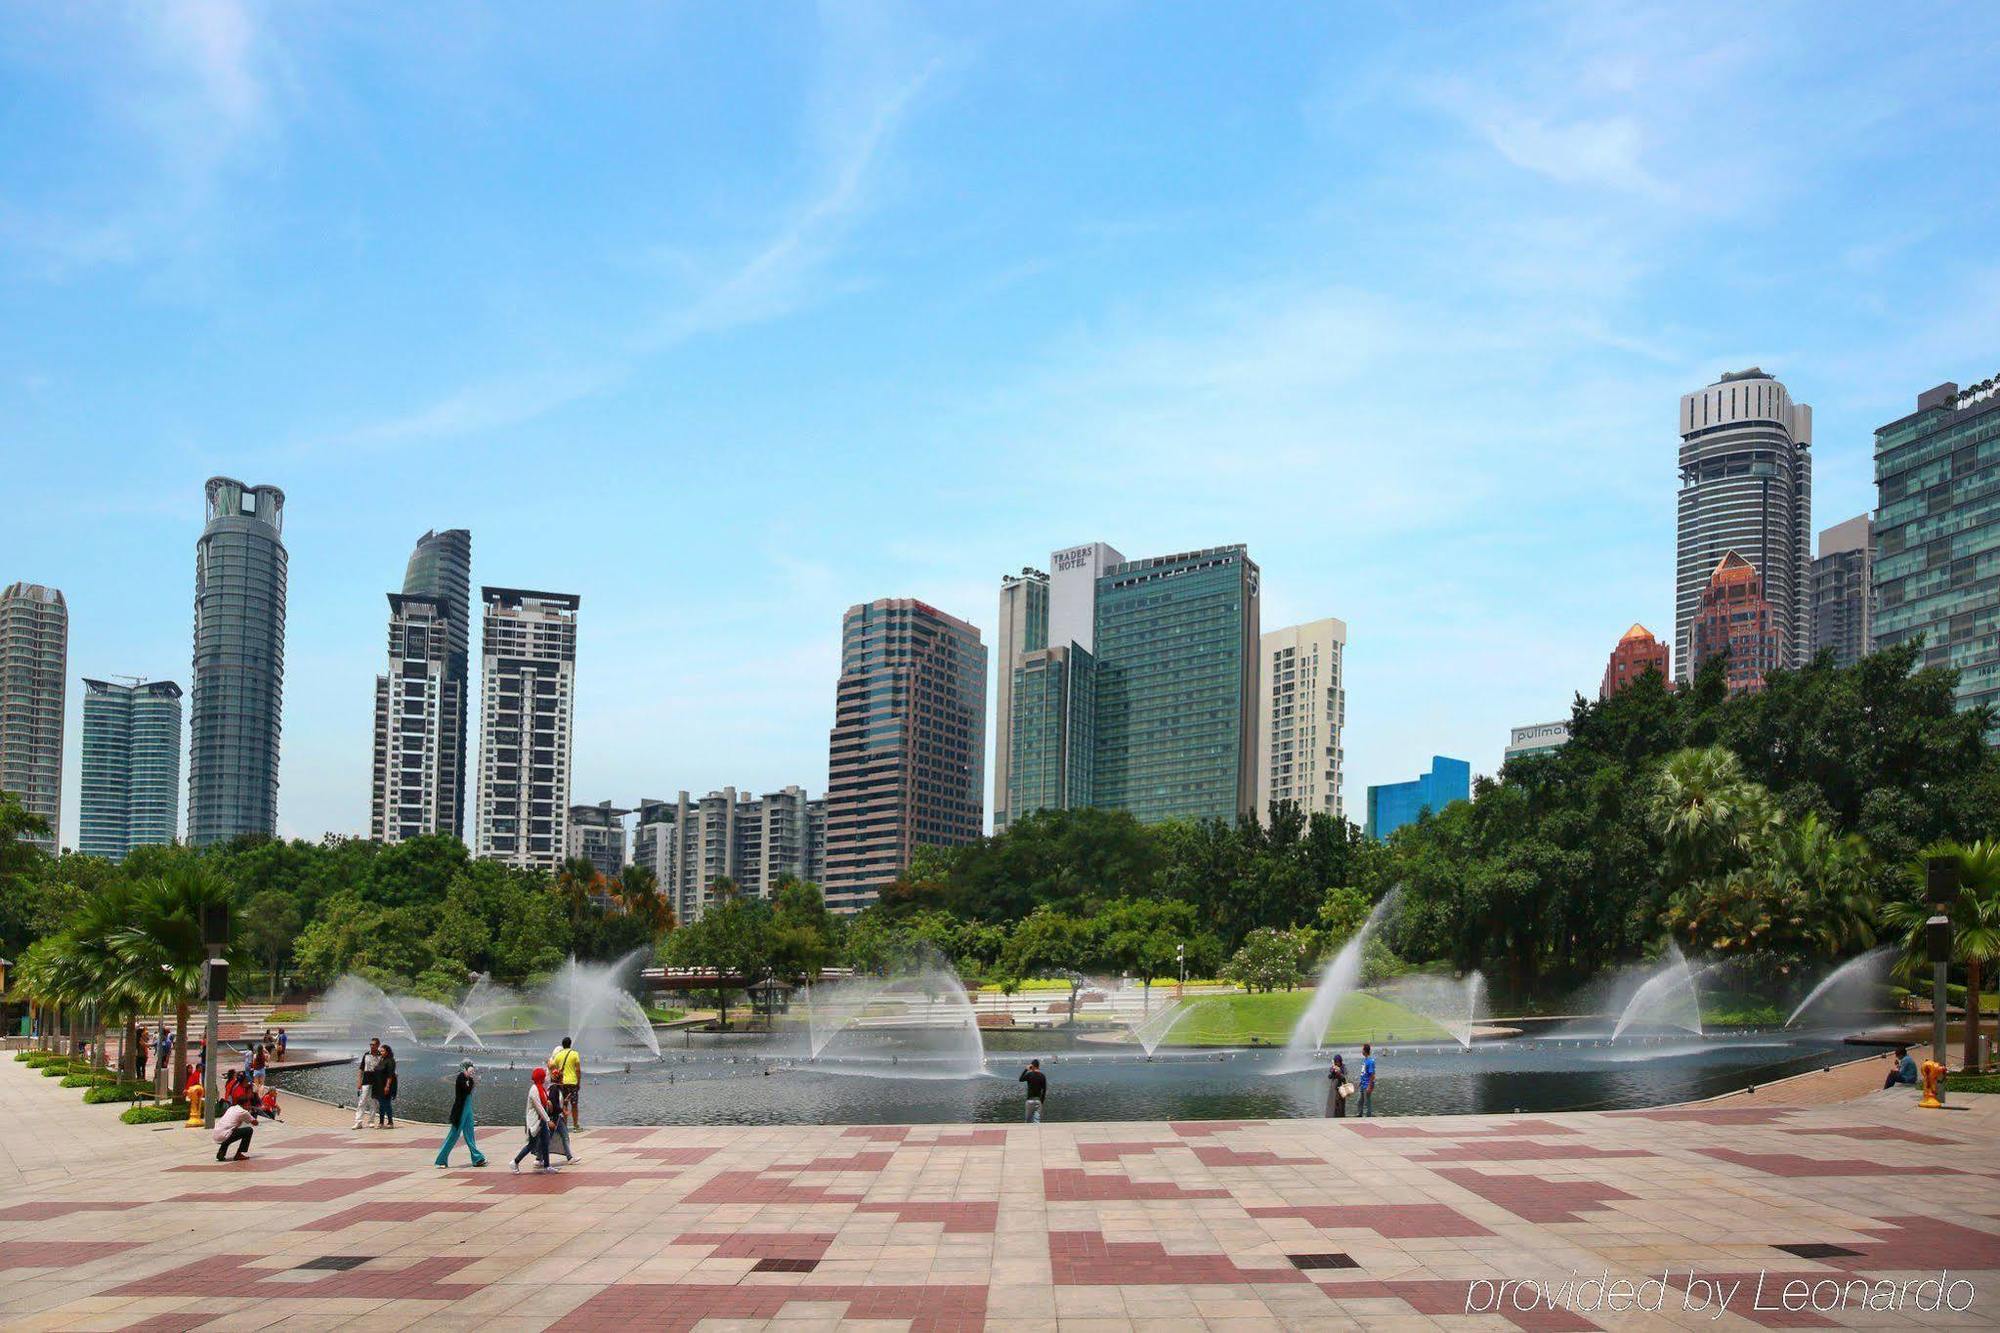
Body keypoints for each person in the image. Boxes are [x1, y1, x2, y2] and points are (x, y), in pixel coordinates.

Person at [435, 1060, 487, 1168]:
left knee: (470, 1134)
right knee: (454, 1135)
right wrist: (470, 1082)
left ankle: (477, 1158)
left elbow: (470, 1087)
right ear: (465, 1068)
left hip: (468, 1110)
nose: (472, 1070)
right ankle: (440, 1160)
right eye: (470, 1068)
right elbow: (466, 1090)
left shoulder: (469, 1079)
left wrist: (471, 1081)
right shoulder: (461, 1078)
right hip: (460, 1110)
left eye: (472, 1067)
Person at [513, 1067, 555, 1172]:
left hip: (541, 1122)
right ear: (540, 1077)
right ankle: (515, 1162)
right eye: (543, 1076)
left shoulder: (540, 1088)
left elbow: (544, 1100)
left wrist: (548, 1102)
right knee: (531, 1145)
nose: (545, 1077)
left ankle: (547, 1166)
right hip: (535, 1122)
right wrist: (548, 1120)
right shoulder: (534, 1090)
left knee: (545, 1142)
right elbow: (539, 1107)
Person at [548, 1037, 582, 1128]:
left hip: (562, 1083)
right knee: (574, 1105)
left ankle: (565, 1126)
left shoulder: (558, 1055)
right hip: (573, 1083)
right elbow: (578, 1070)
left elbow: (552, 1066)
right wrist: (578, 1082)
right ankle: (575, 1125)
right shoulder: (575, 1054)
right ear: (570, 1044)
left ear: (562, 1045)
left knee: (564, 1105)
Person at [353, 1037, 383, 1129]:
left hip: (376, 1082)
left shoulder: (380, 1056)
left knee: (374, 1102)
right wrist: (359, 1082)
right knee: (362, 1101)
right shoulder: (366, 1054)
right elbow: (361, 1069)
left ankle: (371, 1121)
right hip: (366, 1081)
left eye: (373, 1044)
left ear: (378, 1045)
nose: (371, 1046)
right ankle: (358, 1122)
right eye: (370, 1044)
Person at [375, 1045, 399, 1128]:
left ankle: (390, 1122)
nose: (381, 1052)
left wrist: (387, 1086)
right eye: (380, 1051)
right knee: (381, 1104)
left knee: (386, 1104)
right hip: (379, 1085)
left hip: (386, 1085)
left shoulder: (390, 1061)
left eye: (383, 1051)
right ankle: (381, 1122)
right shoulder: (382, 1060)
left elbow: (390, 1075)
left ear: (387, 1051)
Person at [1020, 1059, 1048, 1123]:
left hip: (1029, 1100)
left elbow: (1020, 1079)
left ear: (1032, 1066)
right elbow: (1044, 1090)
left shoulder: (1029, 1074)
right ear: (1038, 1066)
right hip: (1038, 1100)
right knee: (1036, 1121)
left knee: (1028, 1121)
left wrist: (1026, 1069)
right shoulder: (1042, 1076)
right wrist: (1042, 1102)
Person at [1326, 1054, 1349, 1118]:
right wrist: (1333, 1072)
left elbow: (1345, 1078)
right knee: (1334, 1103)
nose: (1337, 1063)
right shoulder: (1333, 1067)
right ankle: (1334, 1116)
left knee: (1341, 1104)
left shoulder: (1343, 1067)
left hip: (1341, 1087)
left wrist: (1339, 1073)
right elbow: (1329, 1076)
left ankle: (1341, 1116)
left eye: (1338, 1061)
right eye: (1336, 1061)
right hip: (1334, 1088)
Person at [1357, 1043, 1377, 1117]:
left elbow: (1372, 1075)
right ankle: (1360, 1114)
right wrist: (1360, 1082)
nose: (1361, 1051)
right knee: (1360, 1101)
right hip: (1363, 1084)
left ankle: (1369, 1116)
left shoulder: (1370, 1061)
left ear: (1365, 1051)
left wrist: (1369, 1086)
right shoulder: (1365, 1060)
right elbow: (1364, 1073)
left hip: (1367, 1084)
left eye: (1362, 1050)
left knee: (1367, 1101)